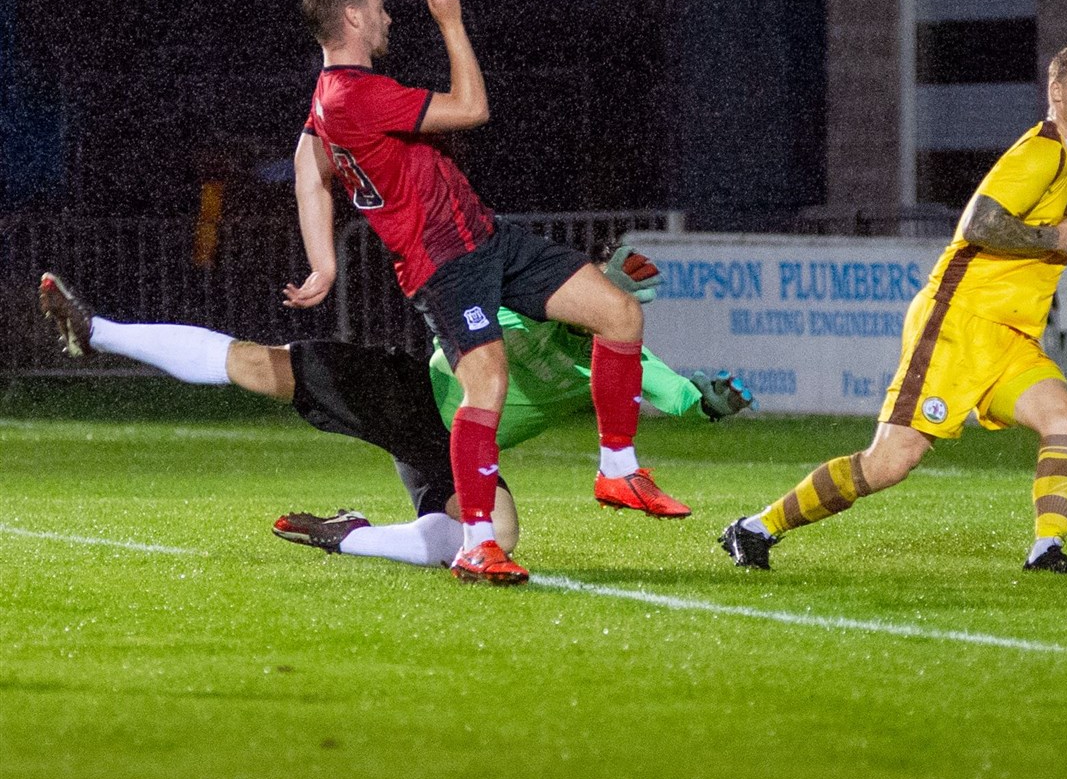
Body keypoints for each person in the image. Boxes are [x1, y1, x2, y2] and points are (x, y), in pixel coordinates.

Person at [719, 32, 1067, 574]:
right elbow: (978, 224)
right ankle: (755, 528)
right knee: (891, 462)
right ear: (1057, 94)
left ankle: (1047, 550)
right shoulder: (1038, 154)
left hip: (1011, 336)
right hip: (958, 322)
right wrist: (1049, 240)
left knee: (1064, 415)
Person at [287, 0, 657, 585]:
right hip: (444, 261)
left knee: (618, 312)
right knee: (486, 384)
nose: (387, 15)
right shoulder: (352, 94)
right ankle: (477, 545)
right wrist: (452, 23)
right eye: (378, 5)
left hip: (485, 237)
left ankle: (618, 469)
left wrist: (325, 261)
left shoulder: (333, 97)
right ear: (351, 16)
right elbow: (472, 107)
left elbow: (306, 168)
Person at [37, 269, 754, 568]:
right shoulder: (522, 306)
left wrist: (710, 400)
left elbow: (677, 391)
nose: (596, 305)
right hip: (413, 398)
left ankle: (347, 538)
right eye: (594, 290)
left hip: (454, 453)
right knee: (264, 367)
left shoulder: (617, 356)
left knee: (494, 534)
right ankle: (98, 330)